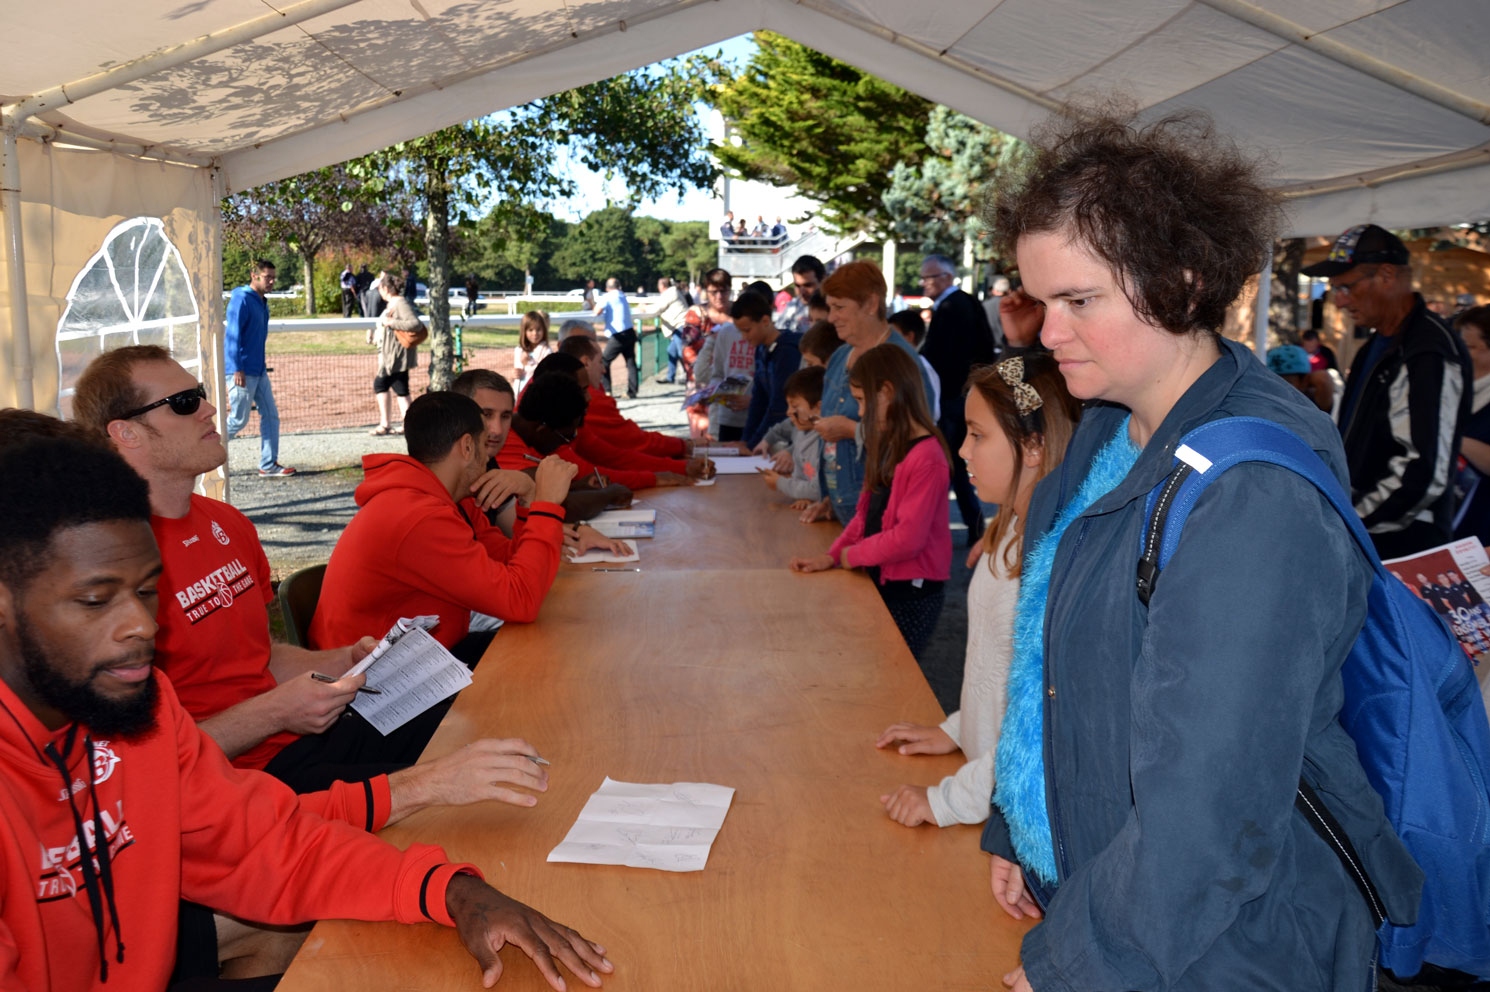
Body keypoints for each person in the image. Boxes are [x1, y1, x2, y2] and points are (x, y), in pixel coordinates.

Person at [980, 110, 1420, 992]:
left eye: (1079, 301)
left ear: (1179, 282)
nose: (1043, 333)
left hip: (1228, 946)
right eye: (1037, 300)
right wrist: (1017, 828)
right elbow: (1046, 660)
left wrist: (1080, 964)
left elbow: (1211, 804)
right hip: (1115, 899)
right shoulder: (1109, 429)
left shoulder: (1251, 489)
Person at [0, 435, 613, 992]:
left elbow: (266, 843)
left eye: (145, 590)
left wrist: (451, 890)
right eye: (94, 600)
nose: (141, 625)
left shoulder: (139, 708)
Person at [72, 347, 541, 800]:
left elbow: (259, 656)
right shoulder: (109, 566)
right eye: (184, 403)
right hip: (230, 783)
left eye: (201, 393)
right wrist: (274, 713)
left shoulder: (228, 524)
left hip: (298, 742)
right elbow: (142, 767)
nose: (210, 409)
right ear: (126, 432)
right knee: (476, 786)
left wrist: (343, 659)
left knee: (502, 726)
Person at [876, 353, 1080, 829]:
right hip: (985, 778)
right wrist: (959, 728)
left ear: (1033, 446)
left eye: (978, 435)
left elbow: (1038, 724)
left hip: (1006, 808)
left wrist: (948, 801)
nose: (962, 450)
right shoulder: (1009, 528)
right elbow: (996, 667)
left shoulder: (1050, 561)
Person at [312, 390, 574, 667]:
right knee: (544, 660)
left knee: (550, 640)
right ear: (467, 447)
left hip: (414, 660)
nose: (488, 457)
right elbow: (522, 600)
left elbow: (512, 564)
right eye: (485, 444)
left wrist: (530, 500)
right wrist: (547, 506)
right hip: (372, 687)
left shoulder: (445, 500)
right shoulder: (420, 516)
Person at [1305, 223, 1472, 558]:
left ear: (1386, 275)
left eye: (1346, 288)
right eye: (1333, 289)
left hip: (1403, 544)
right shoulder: (1375, 346)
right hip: (1365, 534)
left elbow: (1424, 472)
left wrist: (1351, 520)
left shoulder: (1428, 349)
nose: (1339, 301)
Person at [790, 344, 952, 673]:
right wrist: (832, 555)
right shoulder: (887, 442)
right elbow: (865, 514)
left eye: (863, 401)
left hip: (914, 592)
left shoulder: (927, 457)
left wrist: (854, 555)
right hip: (883, 577)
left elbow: (908, 538)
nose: (861, 413)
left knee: (895, 673)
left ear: (888, 392)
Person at [805, 260, 935, 527]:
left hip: (885, 518)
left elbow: (917, 446)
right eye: (830, 308)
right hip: (846, 513)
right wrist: (831, 496)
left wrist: (852, 430)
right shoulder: (841, 356)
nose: (831, 318)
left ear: (871, 304)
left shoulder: (901, 363)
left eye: (840, 307)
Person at [919, 253, 997, 545]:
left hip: (954, 400)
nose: (925, 283)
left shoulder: (952, 307)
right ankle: (974, 526)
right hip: (965, 396)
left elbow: (940, 359)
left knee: (950, 466)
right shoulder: (961, 303)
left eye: (931, 277)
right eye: (924, 277)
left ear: (948, 277)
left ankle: (966, 527)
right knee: (957, 468)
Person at [224, 259, 295, 477]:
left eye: (274, 277)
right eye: (268, 277)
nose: (272, 281)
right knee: (238, 419)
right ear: (254, 276)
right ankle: (198, 455)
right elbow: (232, 335)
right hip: (241, 372)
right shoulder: (241, 299)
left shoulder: (261, 301)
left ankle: (268, 464)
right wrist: (237, 368)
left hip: (259, 371)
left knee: (271, 415)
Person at [732, 290, 803, 449]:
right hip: (772, 435)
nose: (744, 337)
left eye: (747, 330)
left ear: (765, 320)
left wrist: (753, 444)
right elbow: (759, 399)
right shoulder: (761, 349)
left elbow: (778, 405)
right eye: (740, 331)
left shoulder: (787, 352)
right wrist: (746, 440)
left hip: (789, 436)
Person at [757, 365, 826, 508]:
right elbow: (800, 474)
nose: (789, 412)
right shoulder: (801, 431)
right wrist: (804, 497)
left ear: (818, 407)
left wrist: (780, 483)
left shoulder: (826, 442)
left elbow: (818, 489)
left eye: (795, 406)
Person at [1453, 306, 1490, 544]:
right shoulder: (1458, 388)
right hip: (1449, 523)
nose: (1462, 354)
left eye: (1471, 347)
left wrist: (1452, 437)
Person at [368, 272, 421, 436]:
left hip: (395, 356)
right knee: (401, 388)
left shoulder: (399, 303)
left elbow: (415, 324)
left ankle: (385, 424)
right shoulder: (395, 302)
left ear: (385, 288)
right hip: (395, 355)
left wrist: (391, 322)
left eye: (380, 288)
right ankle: (409, 425)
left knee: (380, 384)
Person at [888, 309, 942, 421]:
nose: (888, 341)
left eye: (893, 335)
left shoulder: (923, 367)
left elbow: (932, 413)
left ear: (909, 337)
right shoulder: (897, 364)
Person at [593, 278, 638, 399]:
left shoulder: (607, 296)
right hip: (630, 332)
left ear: (607, 288)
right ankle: (632, 392)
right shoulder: (622, 296)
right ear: (619, 286)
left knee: (604, 361)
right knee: (630, 363)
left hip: (618, 335)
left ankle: (607, 390)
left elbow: (596, 311)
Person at [1266, 343, 1336, 414]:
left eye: (1288, 383)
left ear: (1305, 381)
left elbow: (1323, 379)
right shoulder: (1266, 401)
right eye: (1274, 381)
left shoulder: (1312, 404)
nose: (1280, 388)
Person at [653, 276, 691, 384]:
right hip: (679, 326)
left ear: (662, 286)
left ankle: (691, 376)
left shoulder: (670, 293)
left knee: (682, 352)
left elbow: (658, 308)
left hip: (680, 326)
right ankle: (670, 377)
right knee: (672, 351)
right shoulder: (674, 292)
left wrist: (643, 308)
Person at [776, 255, 825, 334]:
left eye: (808, 285)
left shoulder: (835, 306)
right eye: (798, 286)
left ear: (822, 280)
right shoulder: (792, 307)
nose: (802, 292)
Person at [514, 310, 554, 393]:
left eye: (538, 329)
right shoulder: (519, 350)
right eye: (531, 330)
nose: (535, 333)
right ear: (524, 331)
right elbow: (518, 371)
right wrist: (515, 374)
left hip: (537, 393)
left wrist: (527, 364)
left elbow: (543, 374)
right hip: (520, 392)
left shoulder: (546, 351)